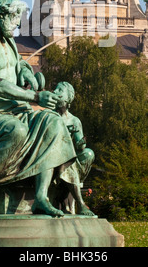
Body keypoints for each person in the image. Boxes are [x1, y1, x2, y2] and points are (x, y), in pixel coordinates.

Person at [0, 0, 77, 216]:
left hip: (17, 110)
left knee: (53, 122)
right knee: (16, 130)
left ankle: (41, 197)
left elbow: (19, 65)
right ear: (2, 14)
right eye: (15, 20)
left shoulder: (9, 42)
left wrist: (28, 74)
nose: (16, 27)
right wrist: (35, 98)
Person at [52, 82, 95, 216]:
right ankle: (80, 204)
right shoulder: (49, 116)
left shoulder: (74, 120)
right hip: (52, 156)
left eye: (60, 90)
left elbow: (80, 147)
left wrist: (80, 142)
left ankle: (63, 198)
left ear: (68, 98)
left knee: (88, 154)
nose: (55, 91)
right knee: (69, 162)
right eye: (55, 89)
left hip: (68, 157)